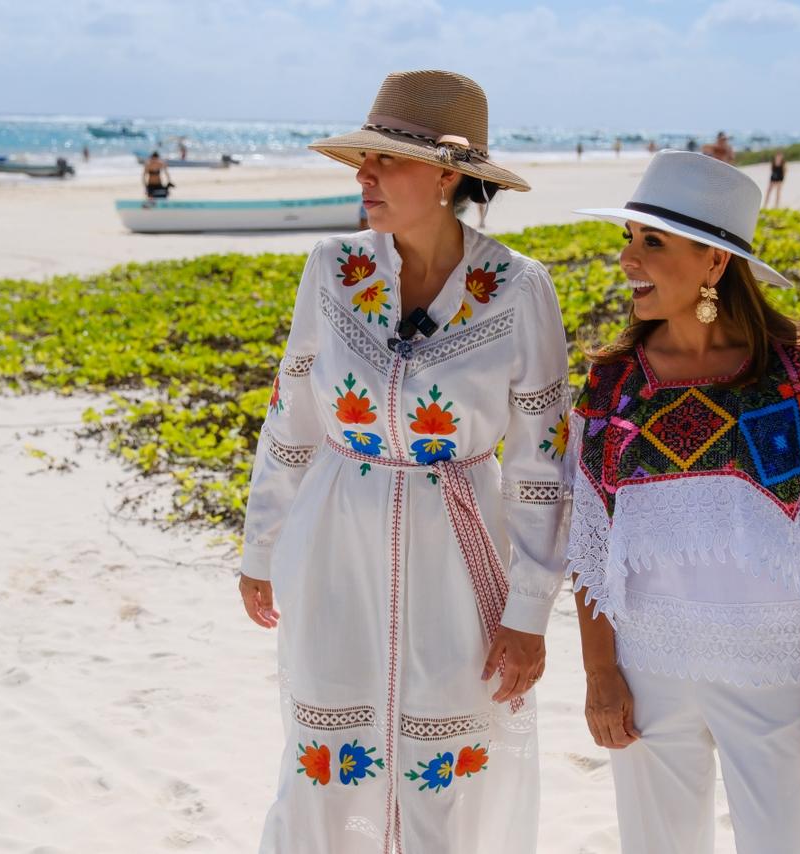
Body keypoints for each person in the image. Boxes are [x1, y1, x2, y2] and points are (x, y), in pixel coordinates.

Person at [238, 69, 570, 854]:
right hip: (334, 541)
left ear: (447, 176)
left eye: (385, 159)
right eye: (363, 158)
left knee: (443, 764)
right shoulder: (331, 268)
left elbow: (542, 467)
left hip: (458, 551)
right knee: (326, 750)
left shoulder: (520, 289)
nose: (364, 175)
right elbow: (292, 417)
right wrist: (260, 546)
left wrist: (528, 613)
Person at [569, 150, 800, 854]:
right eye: (628, 239)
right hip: (646, 666)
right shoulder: (612, 385)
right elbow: (589, 546)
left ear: (716, 261)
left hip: (777, 666)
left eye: (652, 242)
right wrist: (600, 673)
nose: (628, 259)